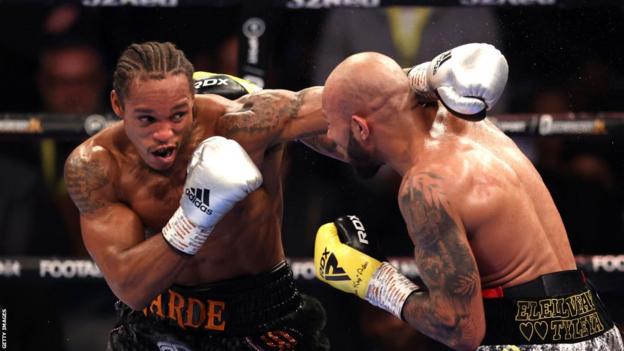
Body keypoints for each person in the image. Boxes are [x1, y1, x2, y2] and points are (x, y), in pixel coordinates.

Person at [64, 41, 504, 350]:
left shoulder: (238, 125)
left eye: (179, 115)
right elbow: (130, 286)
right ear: (118, 107)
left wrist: (426, 76)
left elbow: (331, 101)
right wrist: (195, 214)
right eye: (147, 119)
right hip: (162, 316)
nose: (166, 134)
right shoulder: (96, 167)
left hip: (260, 312)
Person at [313, 46, 624, 350]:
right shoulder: (465, 118)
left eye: (331, 127)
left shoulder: (425, 187)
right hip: (598, 328)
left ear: (360, 128)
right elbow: (382, 92)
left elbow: (460, 329)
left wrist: (371, 279)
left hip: (531, 342)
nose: (330, 138)